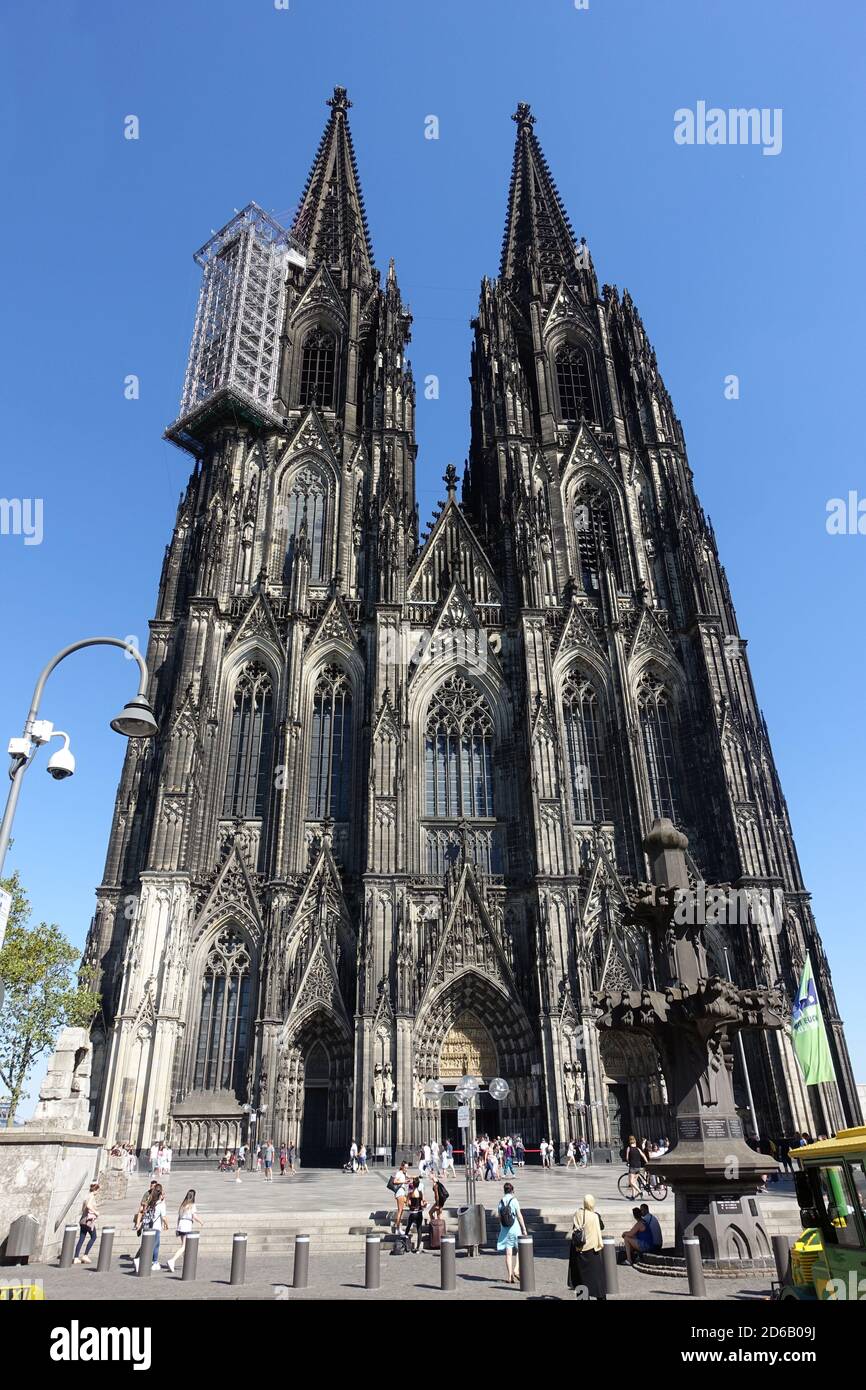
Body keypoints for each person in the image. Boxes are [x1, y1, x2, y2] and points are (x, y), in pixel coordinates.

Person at [568, 1194, 606, 1300]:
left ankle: (583, 1298)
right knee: (597, 1279)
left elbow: (575, 1228)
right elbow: (602, 1227)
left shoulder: (578, 1214)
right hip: (593, 1251)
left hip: (579, 1250)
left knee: (581, 1279)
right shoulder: (595, 1216)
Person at [496, 1181, 527, 1284]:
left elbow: (500, 1217)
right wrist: (524, 1229)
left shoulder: (501, 1202)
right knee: (520, 1249)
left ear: (504, 1190)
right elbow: (519, 1216)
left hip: (505, 1230)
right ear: (512, 1190)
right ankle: (516, 1269)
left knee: (508, 1253)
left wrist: (502, 1227)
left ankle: (509, 1276)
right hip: (515, 1228)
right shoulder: (514, 1200)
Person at [165, 1189, 203, 1272]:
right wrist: (201, 1222)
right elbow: (194, 1217)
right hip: (187, 1225)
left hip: (181, 1225)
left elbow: (179, 1217)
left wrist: (177, 1226)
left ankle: (186, 1263)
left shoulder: (182, 1205)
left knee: (184, 1245)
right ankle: (172, 1260)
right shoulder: (192, 1205)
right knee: (184, 1246)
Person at [134, 1183, 167, 1273]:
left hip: (147, 1225)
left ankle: (153, 1261)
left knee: (152, 1245)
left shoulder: (150, 1200)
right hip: (155, 1227)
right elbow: (163, 1216)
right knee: (153, 1245)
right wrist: (166, 1224)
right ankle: (141, 1260)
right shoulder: (160, 1203)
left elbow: (142, 1210)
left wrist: (139, 1223)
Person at [73, 1183, 100, 1264]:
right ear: (95, 1190)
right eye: (97, 1190)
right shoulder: (91, 1196)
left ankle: (76, 1257)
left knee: (81, 1238)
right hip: (88, 1221)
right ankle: (85, 1255)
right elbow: (88, 1206)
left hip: (83, 1220)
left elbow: (84, 1208)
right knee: (94, 1237)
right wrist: (96, 1212)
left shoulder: (86, 1196)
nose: (98, 1192)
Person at [403, 1177, 426, 1252]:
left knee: (408, 1227)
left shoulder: (410, 1193)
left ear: (413, 1184)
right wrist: (424, 1205)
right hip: (419, 1213)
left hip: (413, 1213)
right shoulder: (420, 1193)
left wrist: (409, 1205)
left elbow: (407, 1203)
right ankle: (417, 1248)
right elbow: (423, 1203)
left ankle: (405, 1244)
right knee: (419, 1230)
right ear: (418, 1185)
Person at [390, 1161, 411, 1231]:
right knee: (400, 1210)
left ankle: (399, 1226)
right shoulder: (399, 1173)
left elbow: (409, 1176)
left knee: (410, 1203)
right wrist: (404, 1182)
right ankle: (397, 1228)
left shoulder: (404, 1173)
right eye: (405, 1167)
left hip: (402, 1192)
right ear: (402, 1167)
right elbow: (394, 1181)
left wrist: (416, 1177)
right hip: (400, 1193)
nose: (406, 1169)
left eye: (407, 1168)